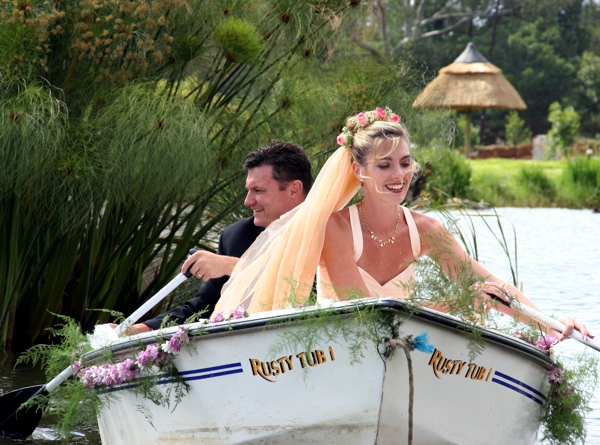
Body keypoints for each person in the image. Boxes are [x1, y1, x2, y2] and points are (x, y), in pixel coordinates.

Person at [212, 107, 592, 341]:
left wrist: (550, 322)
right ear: (358, 170)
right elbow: (360, 310)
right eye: (385, 165)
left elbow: (487, 284)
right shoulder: (335, 227)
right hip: (341, 348)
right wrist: (452, 304)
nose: (399, 175)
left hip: (403, 344)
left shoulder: (427, 230)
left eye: (405, 163)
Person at [126, 140, 312, 334]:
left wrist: (233, 266)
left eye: (258, 191)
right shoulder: (235, 236)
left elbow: (315, 291)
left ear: (294, 189)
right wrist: (136, 331)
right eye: (248, 190)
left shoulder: (327, 230)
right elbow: (203, 308)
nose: (247, 201)